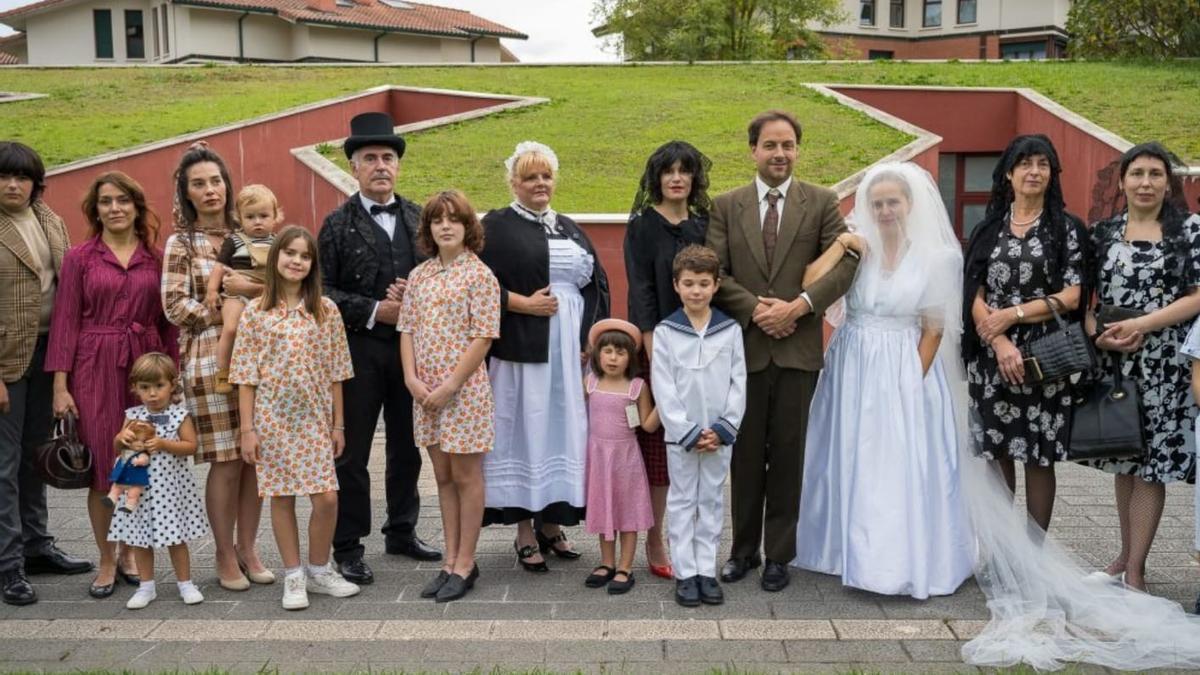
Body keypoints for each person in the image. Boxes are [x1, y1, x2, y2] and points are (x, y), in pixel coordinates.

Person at [794, 163, 974, 599]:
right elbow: (809, 285)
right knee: (849, 452)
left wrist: (911, 380)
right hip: (851, 365)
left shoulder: (938, 258)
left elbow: (934, 329)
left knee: (894, 462)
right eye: (877, 204)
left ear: (910, 204)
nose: (885, 210)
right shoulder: (859, 252)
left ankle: (892, 561)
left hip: (905, 366)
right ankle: (840, 551)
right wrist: (840, 244)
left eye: (893, 201)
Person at [706, 110, 858, 592]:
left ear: (797, 149)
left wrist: (799, 307)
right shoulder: (725, 206)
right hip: (745, 350)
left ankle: (780, 555)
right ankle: (743, 551)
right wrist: (758, 310)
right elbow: (716, 272)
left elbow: (846, 263)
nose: (779, 154)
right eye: (770, 145)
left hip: (798, 351)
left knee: (790, 455)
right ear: (753, 149)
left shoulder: (821, 202)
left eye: (788, 145)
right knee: (745, 454)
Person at [318, 112, 440, 586]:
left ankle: (402, 530)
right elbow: (322, 290)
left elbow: (441, 276)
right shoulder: (334, 223)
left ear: (399, 166)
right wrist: (374, 309)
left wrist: (415, 301)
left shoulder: (419, 219)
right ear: (353, 167)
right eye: (370, 158)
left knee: (409, 446)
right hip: (357, 351)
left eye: (387, 157)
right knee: (352, 451)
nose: (380, 165)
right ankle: (347, 545)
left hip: (414, 352)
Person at [478, 141, 610, 572]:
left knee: (561, 430)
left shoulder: (569, 227)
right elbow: (472, 283)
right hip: (521, 351)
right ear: (513, 182)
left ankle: (552, 524)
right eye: (530, 176)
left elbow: (595, 284)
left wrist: (591, 335)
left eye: (546, 176)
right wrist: (520, 303)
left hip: (568, 354)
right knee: (524, 430)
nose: (539, 183)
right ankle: (522, 531)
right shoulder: (495, 227)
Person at [45, 171, 177, 599]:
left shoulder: (157, 260)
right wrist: (60, 386)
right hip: (93, 367)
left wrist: (170, 381)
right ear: (95, 209)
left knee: (139, 465)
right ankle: (106, 557)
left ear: (137, 207)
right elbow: (64, 322)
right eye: (106, 201)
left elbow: (167, 324)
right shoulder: (80, 258)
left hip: (145, 369)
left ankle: (131, 554)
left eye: (123, 200)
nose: (115, 208)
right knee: (103, 467)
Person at [1081, 142, 1200, 592]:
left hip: (1167, 364)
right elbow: (1085, 301)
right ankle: (1122, 558)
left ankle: (1136, 571)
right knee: (1124, 458)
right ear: (1122, 180)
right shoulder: (1104, 233)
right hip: (1117, 362)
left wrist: (1142, 326)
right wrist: (1099, 333)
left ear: (1168, 183)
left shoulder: (1190, 230)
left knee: (1152, 466)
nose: (1146, 182)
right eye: (1137, 174)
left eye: (1155, 174)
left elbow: (1197, 295)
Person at [962, 134, 1087, 533]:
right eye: (1025, 164)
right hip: (991, 356)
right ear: (1009, 174)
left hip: (1045, 356)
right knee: (997, 452)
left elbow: (1072, 295)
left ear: (1052, 174)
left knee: (1038, 454)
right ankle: (1001, 550)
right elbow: (972, 291)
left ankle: (1034, 555)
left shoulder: (1065, 229)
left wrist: (1013, 316)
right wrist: (998, 340)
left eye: (1043, 164)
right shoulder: (988, 228)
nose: (1034, 172)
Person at [231, 226, 359, 611]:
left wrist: (338, 425)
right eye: (290, 253)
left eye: (304, 256)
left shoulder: (326, 310)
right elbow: (245, 377)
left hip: (314, 421)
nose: (296, 261)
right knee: (282, 498)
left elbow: (338, 371)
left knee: (326, 498)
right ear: (276, 258)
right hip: (271, 422)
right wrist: (248, 430)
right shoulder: (256, 313)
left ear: (312, 265)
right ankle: (293, 575)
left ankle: (319, 569)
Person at [161, 143, 271, 590]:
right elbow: (173, 305)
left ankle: (250, 547)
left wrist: (251, 295)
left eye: (216, 181)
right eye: (199, 184)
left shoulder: (249, 233)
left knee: (254, 459)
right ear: (187, 194)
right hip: (210, 360)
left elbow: (275, 287)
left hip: (262, 358)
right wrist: (228, 303)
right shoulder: (181, 242)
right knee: (226, 461)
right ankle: (225, 555)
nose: (210, 191)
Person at [0, 141, 92, 606]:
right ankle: (8, 564)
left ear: (37, 183)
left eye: (22, 177)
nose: (13, 184)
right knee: (4, 466)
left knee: (37, 456)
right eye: (4, 176)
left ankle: (36, 546)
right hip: (5, 361)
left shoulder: (48, 219)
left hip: (46, 353)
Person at [398, 190, 500, 603]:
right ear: (428, 228)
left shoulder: (480, 275)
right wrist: (410, 378)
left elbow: (484, 336)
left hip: (463, 392)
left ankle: (466, 562)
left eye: (453, 219)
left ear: (467, 227)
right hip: (424, 394)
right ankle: (448, 560)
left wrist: (450, 386)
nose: (445, 226)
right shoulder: (420, 275)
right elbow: (406, 328)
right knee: (441, 477)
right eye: (437, 220)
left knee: (465, 476)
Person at [623, 140, 712, 579]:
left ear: (694, 178)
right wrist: (657, 355)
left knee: (697, 445)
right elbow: (640, 289)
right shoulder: (642, 226)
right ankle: (656, 539)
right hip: (656, 347)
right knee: (659, 450)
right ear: (656, 178)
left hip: (703, 351)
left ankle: (694, 535)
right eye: (668, 171)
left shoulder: (704, 225)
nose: (676, 178)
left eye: (685, 170)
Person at [651, 245, 747, 607]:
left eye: (703, 283)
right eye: (689, 283)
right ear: (676, 285)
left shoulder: (730, 330)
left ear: (716, 285)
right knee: (682, 500)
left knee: (710, 500)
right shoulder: (666, 331)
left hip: (718, 437)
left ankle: (706, 570)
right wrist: (686, 431)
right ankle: (685, 572)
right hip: (683, 438)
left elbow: (739, 382)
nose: (696, 291)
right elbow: (663, 386)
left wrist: (724, 428)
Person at [107, 352, 207, 610]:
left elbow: (190, 446)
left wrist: (164, 443)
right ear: (135, 388)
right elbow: (117, 445)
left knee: (176, 538)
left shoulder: (178, 415)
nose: (152, 393)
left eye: (159, 386)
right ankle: (146, 586)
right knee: (140, 539)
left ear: (172, 384)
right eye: (145, 387)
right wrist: (123, 438)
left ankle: (185, 583)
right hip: (140, 491)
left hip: (171, 489)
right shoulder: (133, 414)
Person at [581, 318, 658, 595]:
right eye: (608, 351)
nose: (613, 358)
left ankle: (625, 567)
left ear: (631, 357)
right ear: (597, 353)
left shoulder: (636, 387)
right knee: (604, 508)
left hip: (626, 459)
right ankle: (606, 562)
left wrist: (666, 403)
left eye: (621, 352)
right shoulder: (590, 382)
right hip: (599, 458)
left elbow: (647, 424)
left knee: (626, 511)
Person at [207, 184, 281, 394]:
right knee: (231, 328)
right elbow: (219, 267)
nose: (257, 221)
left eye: (263, 216)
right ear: (240, 218)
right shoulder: (234, 240)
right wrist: (212, 290)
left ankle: (265, 372)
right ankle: (222, 371)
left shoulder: (278, 242)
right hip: (236, 295)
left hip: (266, 295)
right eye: (250, 217)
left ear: (275, 216)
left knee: (268, 334)